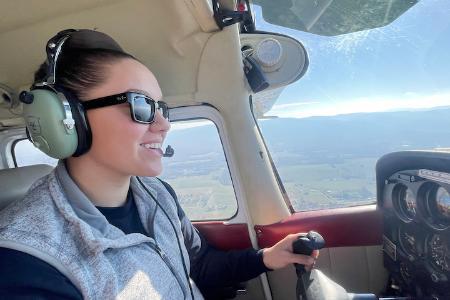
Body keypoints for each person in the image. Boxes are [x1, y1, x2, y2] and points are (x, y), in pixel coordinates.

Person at [0, 29, 318, 299]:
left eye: (161, 107)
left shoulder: (155, 193)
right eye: (140, 104)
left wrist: (266, 257)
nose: (164, 124)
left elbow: (198, 265)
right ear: (65, 120)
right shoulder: (28, 261)